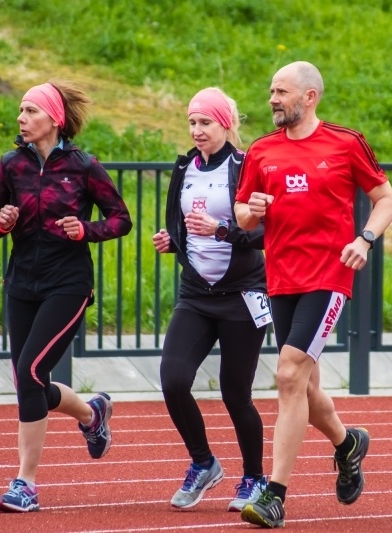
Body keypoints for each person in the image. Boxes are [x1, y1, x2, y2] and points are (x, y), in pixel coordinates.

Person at [234, 61, 392, 528]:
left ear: (309, 97)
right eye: (271, 90)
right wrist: (252, 208)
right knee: (305, 385)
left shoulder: (345, 143)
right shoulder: (261, 150)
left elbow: (386, 199)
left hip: (329, 276)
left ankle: (275, 496)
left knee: (288, 375)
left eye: (281, 91)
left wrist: (364, 239)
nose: (272, 99)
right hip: (280, 278)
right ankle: (348, 443)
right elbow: (243, 214)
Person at [0, 80, 132, 512]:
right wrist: (1, 223)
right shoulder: (10, 165)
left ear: (54, 119)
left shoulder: (84, 167)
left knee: (29, 373)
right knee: (29, 381)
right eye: (21, 110)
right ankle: (91, 413)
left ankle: (25, 484)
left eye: (30, 111)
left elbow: (121, 219)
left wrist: (86, 230)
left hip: (68, 283)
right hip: (22, 284)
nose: (21, 118)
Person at [151, 87, 269, 512]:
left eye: (206, 122)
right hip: (196, 294)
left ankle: (254, 477)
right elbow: (184, 224)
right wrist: (174, 241)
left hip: (242, 294)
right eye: (192, 122)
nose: (197, 130)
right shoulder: (185, 167)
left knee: (235, 394)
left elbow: (264, 233)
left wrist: (220, 230)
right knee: (173, 379)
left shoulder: (246, 166)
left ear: (226, 124)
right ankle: (203, 463)